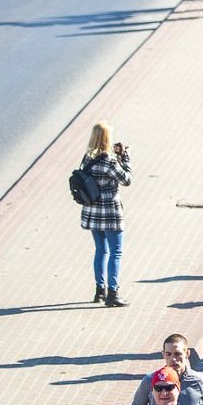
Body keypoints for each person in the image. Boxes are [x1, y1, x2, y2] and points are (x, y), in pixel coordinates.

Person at [77, 122, 132, 307]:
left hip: (92, 211)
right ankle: (113, 293)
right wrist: (125, 158)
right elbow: (127, 180)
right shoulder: (109, 161)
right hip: (110, 212)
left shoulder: (87, 159)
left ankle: (99, 290)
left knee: (101, 250)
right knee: (116, 252)